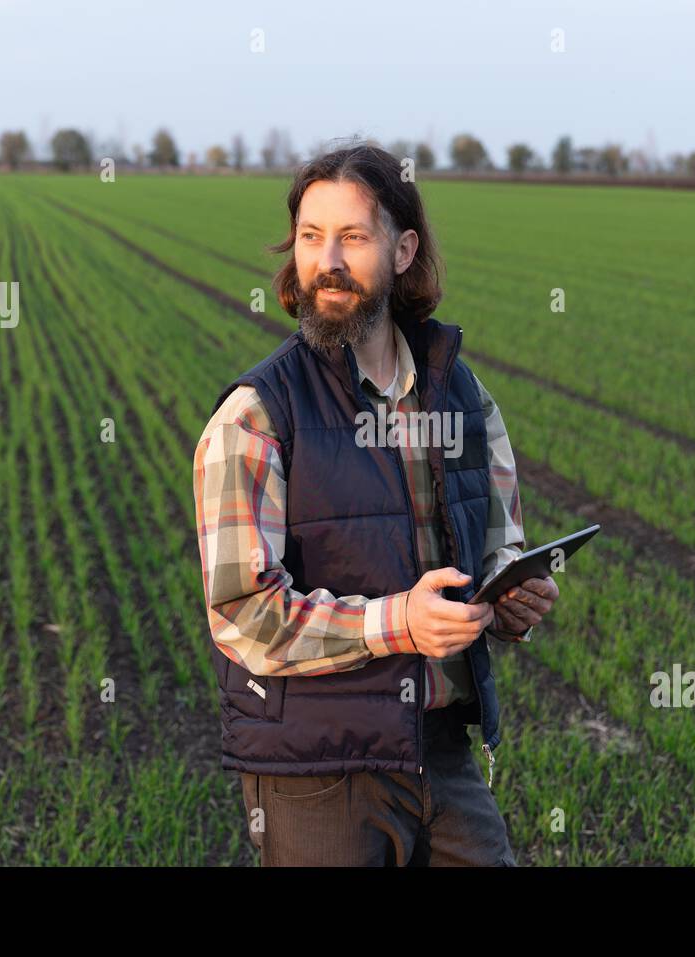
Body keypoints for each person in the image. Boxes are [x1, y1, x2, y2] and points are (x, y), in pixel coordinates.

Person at [193, 142, 559, 866]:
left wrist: (512, 592)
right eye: (309, 236)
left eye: (352, 237)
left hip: (442, 750)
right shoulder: (257, 415)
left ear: (403, 250)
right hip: (316, 771)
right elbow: (243, 615)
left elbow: (498, 541)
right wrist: (399, 622)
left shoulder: (462, 395)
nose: (326, 259)